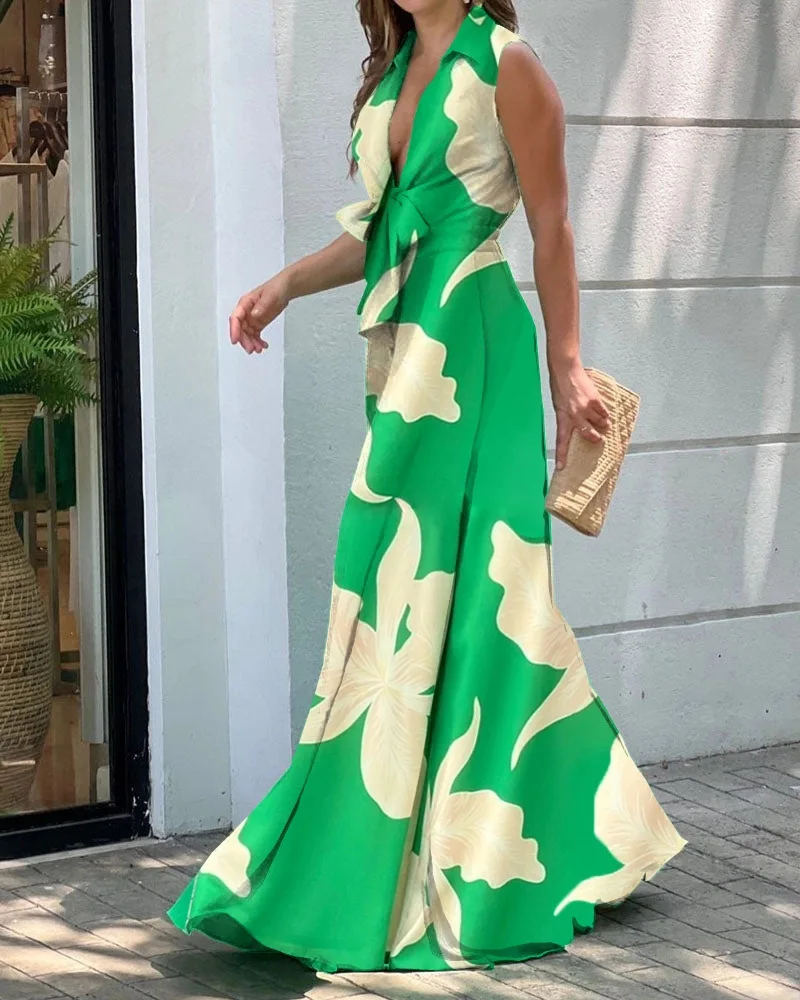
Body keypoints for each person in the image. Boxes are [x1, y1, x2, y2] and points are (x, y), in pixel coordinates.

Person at [167, 0, 686, 973]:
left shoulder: (508, 65)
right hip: (411, 359)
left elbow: (552, 226)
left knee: (475, 601)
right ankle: (587, 825)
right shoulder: (394, 66)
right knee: (420, 593)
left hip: (474, 353)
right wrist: (282, 284)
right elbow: (383, 235)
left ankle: (478, 859)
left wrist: (567, 368)